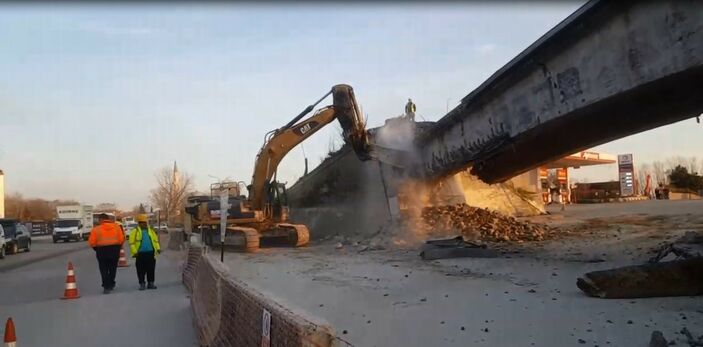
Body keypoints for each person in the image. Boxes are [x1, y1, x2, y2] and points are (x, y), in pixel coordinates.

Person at [88, 213, 125, 294]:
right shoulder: (116, 227)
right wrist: (118, 247)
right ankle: (111, 283)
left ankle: (106, 286)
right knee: (113, 268)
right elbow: (121, 239)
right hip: (114, 249)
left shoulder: (96, 229)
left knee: (103, 269)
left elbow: (91, 242)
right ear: (108, 219)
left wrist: (96, 248)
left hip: (101, 250)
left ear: (101, 219)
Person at [129, 214, 161, 290]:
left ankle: (151, 283)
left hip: (150, 253)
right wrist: (135, 252)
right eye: (142, 222)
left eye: (145, 222)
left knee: (151, 269)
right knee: (140, 270)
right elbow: (131, 243)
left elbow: (155, 241)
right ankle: (142, 283)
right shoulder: (134, 231)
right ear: (139, 223)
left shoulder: (151, 231)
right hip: (140, 254)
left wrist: (158, 248)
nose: (144, 224)